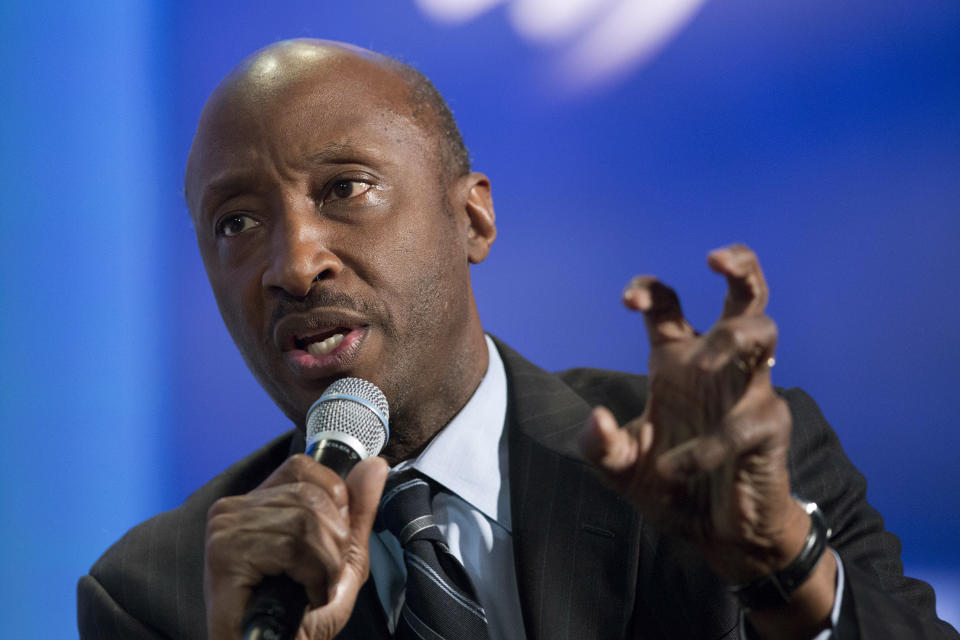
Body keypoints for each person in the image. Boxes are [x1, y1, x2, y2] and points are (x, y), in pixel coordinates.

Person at [77, 39, 958, 639]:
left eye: (344, 188)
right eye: (235, 224)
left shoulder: (723, 460)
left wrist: (785, 570)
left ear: (473, 218)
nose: (293, 264)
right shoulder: (160, 591)